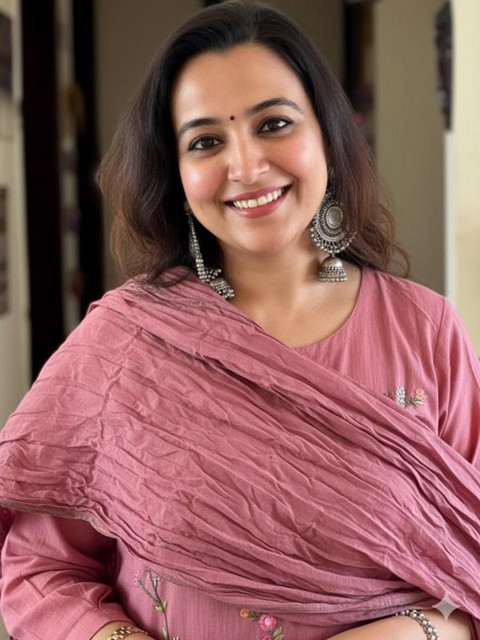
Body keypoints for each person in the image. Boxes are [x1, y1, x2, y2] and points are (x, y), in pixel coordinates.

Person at [1, 1, 480, 639]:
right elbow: (38, 567)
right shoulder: (123, 347)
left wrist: (423, 632)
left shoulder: (425, 331)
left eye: (274, 123)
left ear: (328, 136)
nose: (247, 167)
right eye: (206, 141)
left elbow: (469, 564)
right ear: (175, 171)